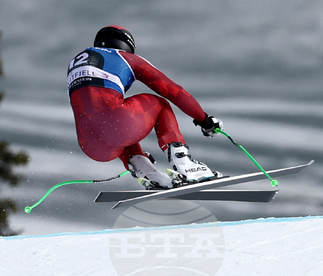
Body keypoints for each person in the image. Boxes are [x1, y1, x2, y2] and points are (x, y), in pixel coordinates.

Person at [68, 25, 224, 190]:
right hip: (116, 125)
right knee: (160, 104)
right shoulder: (123, 57)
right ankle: (185, 164)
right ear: (126, 45)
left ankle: (145, 170)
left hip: (91, 145)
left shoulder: (75, 64)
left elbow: (99, 115)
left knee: (111, 117)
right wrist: (203, 119)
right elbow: (172, 90)